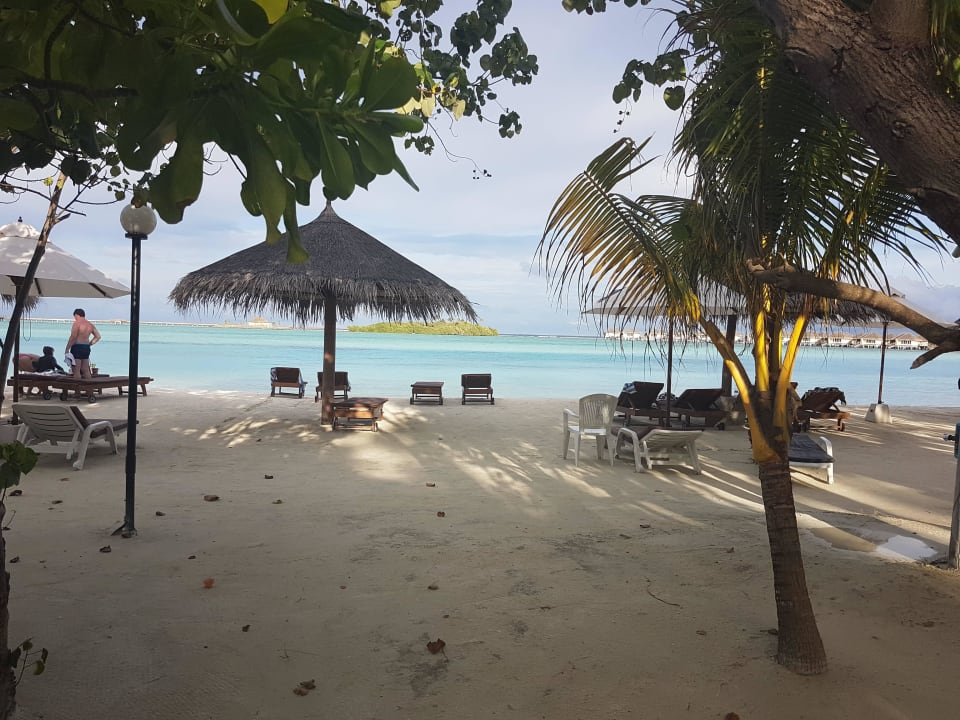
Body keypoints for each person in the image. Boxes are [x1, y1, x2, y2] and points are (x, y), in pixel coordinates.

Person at [65, 308, 101, 379]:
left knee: (76, 370)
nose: (74, 318)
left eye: (74, 317)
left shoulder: (77, 323)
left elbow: (73, 336)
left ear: (76, 315)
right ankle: (89, 389)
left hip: (77, 347)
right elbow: (98, 336)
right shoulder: (90, 324)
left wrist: (67, 348)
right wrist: (90, 344)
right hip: (86, 347)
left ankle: (77, 389)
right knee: (86, 370)